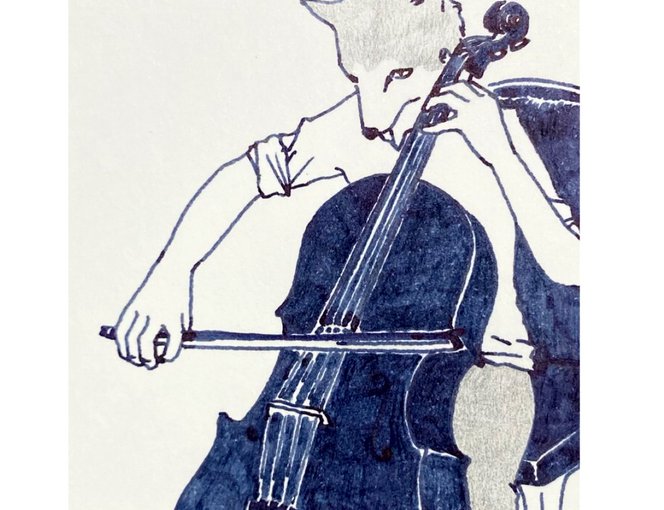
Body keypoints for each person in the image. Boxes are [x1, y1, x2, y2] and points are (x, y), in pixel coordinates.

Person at [109, 1, 579, 508]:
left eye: (400, 77)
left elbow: (572, 265)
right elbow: (246, 175)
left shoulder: (493, 129)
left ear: (446, 55)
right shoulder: (350, 124)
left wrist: (499, 151)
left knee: (487, 430)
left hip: (484, 369)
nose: (372, 117)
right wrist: (168, 277)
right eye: (358, 79)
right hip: (354, 380)